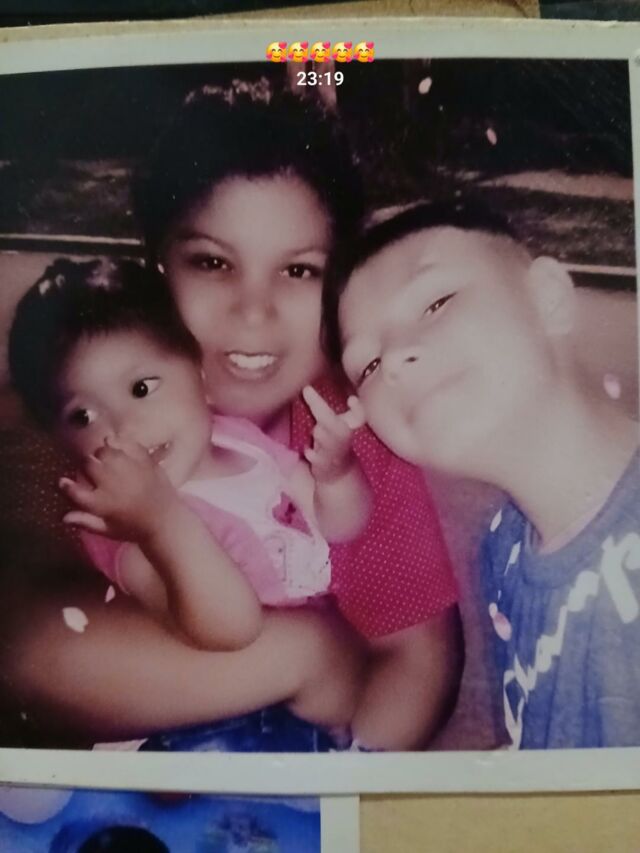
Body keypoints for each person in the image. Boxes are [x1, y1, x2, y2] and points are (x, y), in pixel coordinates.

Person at [0, 89, 460, 752]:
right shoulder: (85, 409)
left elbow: (418, 656)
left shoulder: (350, 430)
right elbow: (27, 648)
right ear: (156, 266)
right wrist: (305, 653)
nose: (253, 311)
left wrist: (337, 779)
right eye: (214, 263)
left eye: (299, 270)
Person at [328, 199, 640, 749]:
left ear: (547, 297)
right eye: (368, 365)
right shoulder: (504, 547)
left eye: (435, 303)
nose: (394, 358)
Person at [9, 257, 370, 655]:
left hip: (331, 639)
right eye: (83, 416)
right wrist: (162, 523)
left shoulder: (240, 440)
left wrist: (336, 475)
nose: (123, 427)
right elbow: (232, 630)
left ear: (199, 374)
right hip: (256, 680)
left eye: (141, 389)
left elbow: (342, 527)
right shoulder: (119, 524)